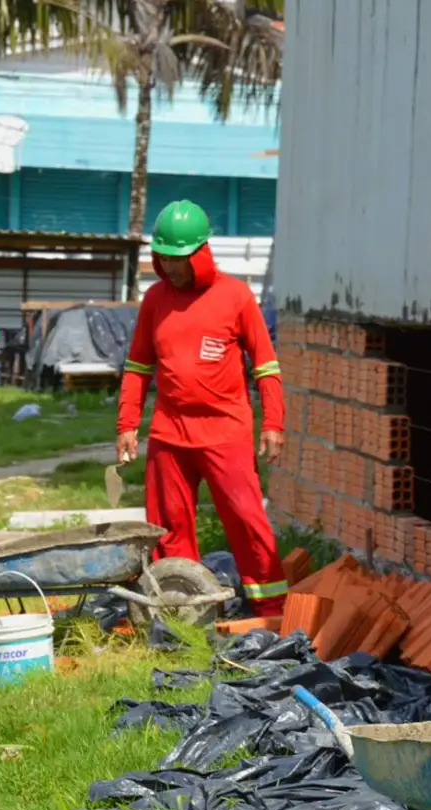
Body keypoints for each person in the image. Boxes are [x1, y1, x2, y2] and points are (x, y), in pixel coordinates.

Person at [117, 201, 290, 616]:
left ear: (201, 253)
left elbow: (266, 366)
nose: (170, 266)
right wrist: (127, 423)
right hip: (169, 434)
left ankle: (272, 609)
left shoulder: (236, 296)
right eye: (163, 257)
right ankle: (181, 612)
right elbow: (138, 367)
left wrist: (274, 422)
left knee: (246, 519)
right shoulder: (155, 299)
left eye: (178, 258)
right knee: (168, 525)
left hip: (226, 432)